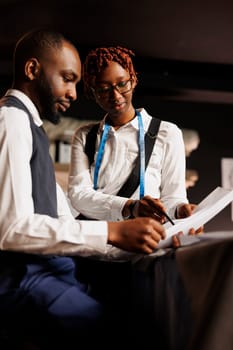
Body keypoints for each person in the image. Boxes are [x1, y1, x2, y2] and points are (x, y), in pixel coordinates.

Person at [0, 29, 167, 348]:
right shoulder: (10, 120)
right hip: (24, 280)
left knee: (138, 306)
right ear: (32, 70)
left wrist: (138, 239)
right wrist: (112, 232)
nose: (75, 93)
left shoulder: (31, 127)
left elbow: (65, 224)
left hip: (49, 272)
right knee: (123, 334)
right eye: (67, 78)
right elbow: (13, 230)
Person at [68, 46, 198, 224]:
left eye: (122, 84)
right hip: (99, 239)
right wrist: (131, 207)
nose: (115, 95)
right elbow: (78, 194)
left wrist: (181, 210)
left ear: (133, 80)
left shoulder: (167, 133)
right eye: (104, 89)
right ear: (93, 92)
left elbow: (173, 198)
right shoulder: (84, 136)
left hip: (144, 238)